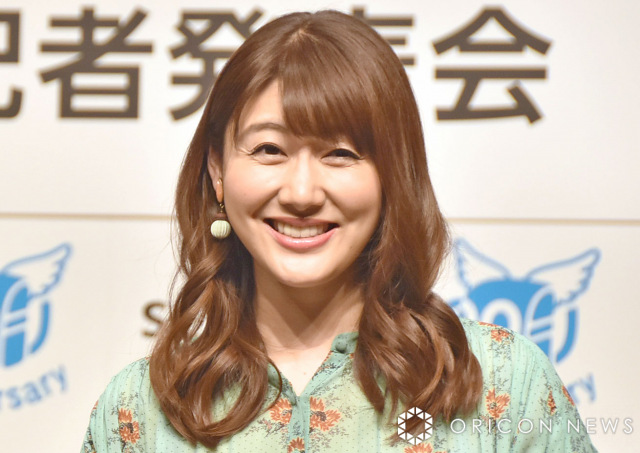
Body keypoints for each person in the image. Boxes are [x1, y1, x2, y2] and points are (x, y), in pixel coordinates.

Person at [81, 10, 598, 453]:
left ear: (393, 174)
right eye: (269, 150)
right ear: (217, 170)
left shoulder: (500, 383)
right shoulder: (141, 410)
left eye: (341, 153)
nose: (302, 192)